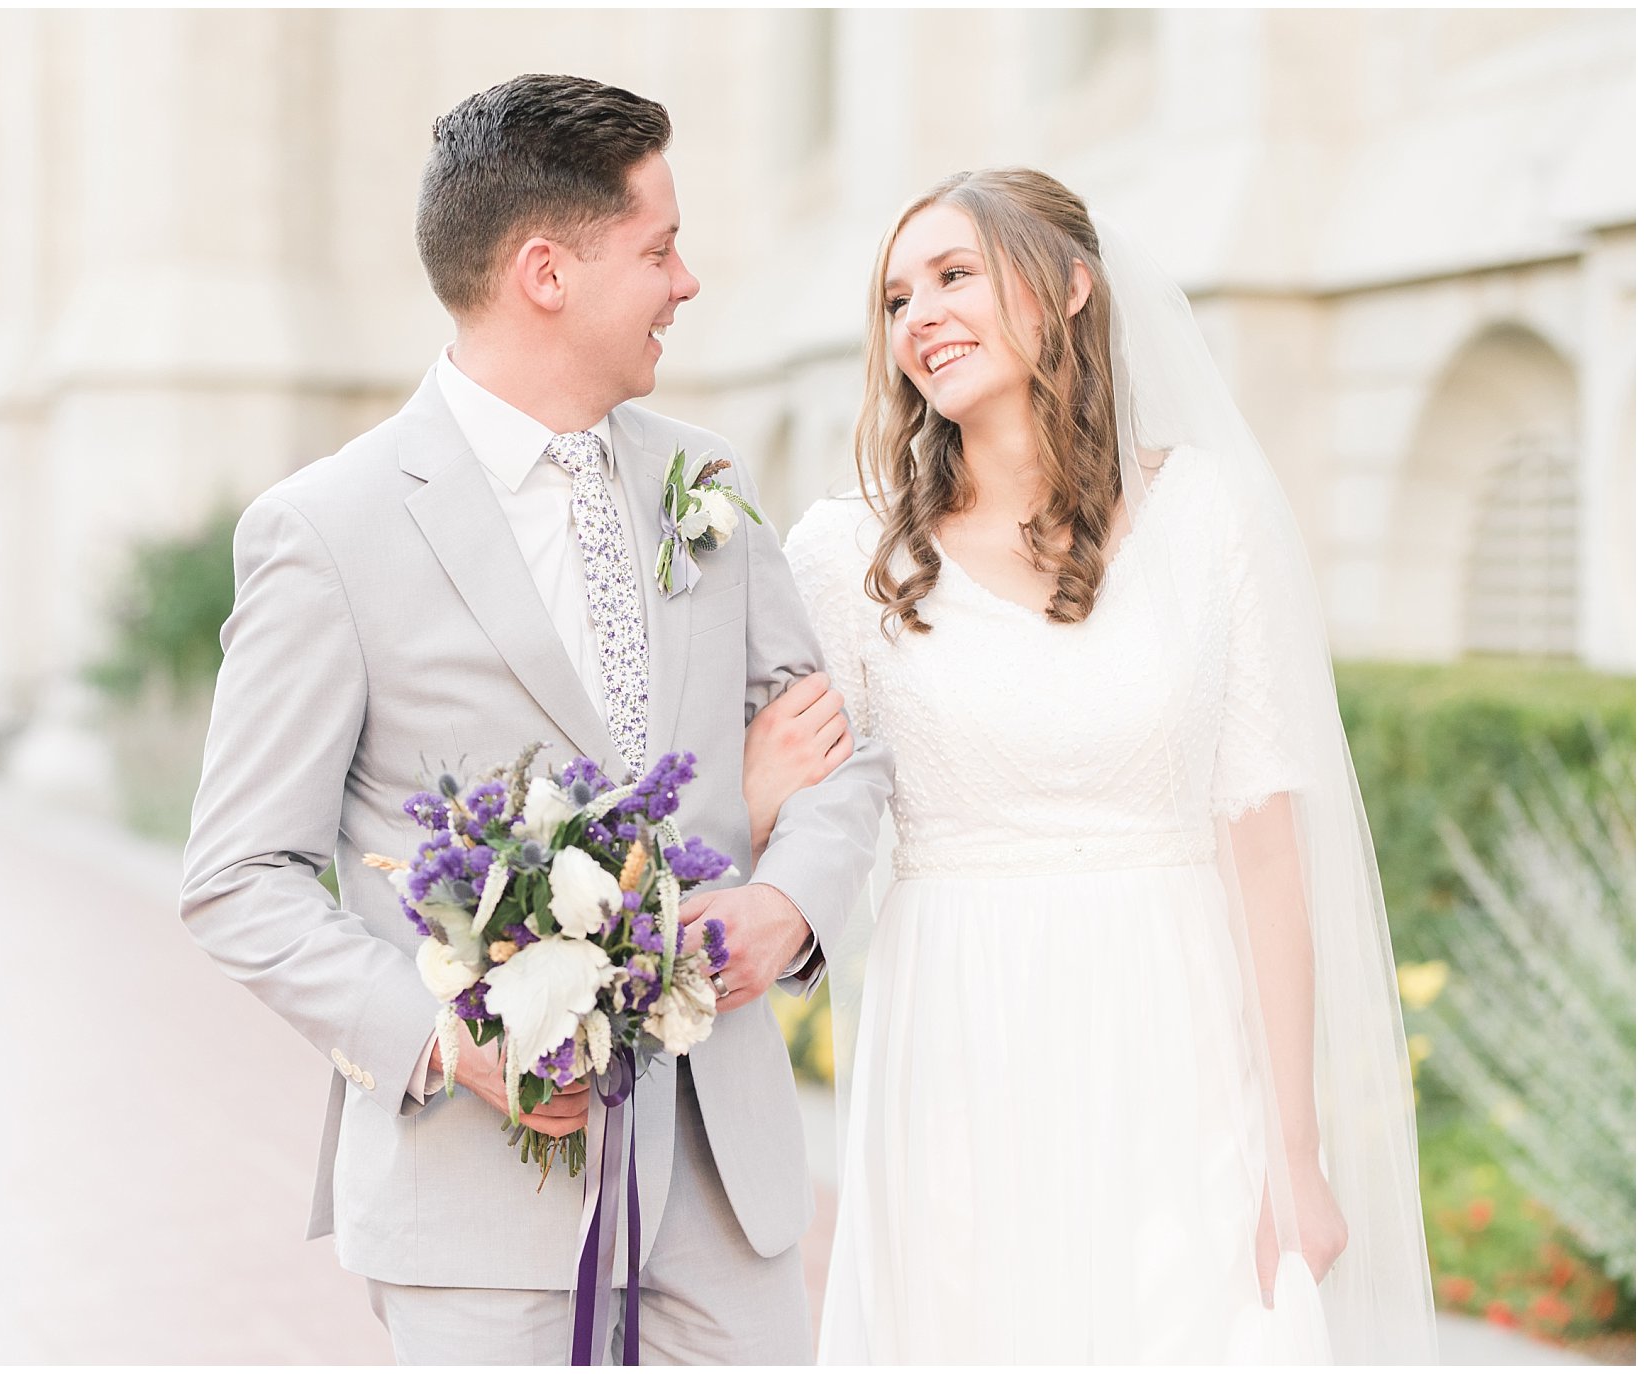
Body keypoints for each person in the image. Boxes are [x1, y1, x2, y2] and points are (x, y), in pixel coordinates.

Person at [178, 73, 892, 1365]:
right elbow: (239, 875)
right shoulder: (325, 531)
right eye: (660, 246)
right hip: (480, 1207)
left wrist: (787, 908)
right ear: (546, 271)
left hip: (728, 1196)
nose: (687, 281)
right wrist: (446, 1037)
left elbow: (841, 755)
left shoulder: (704, 484)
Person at [745, 168, 1436, 1362]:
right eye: (896, 298)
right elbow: (801, 830)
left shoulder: (1203, 516)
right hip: (956, 1044)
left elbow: (1263, 842)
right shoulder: (846, 556)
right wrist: (755, 797)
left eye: (954, 275)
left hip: (1174, 1031)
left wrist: (1294, 1154)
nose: (918, 318)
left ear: (1068, 286)